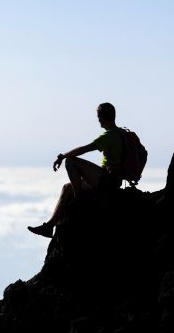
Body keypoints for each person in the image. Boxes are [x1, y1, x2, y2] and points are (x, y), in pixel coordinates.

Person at [28, 102, 124, 238]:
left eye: (99, 117)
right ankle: (49, 227)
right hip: (110, 180)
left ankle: (78, 198)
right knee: (67, 188)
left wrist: (63, 156)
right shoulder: (120, 133)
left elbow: (83, 150)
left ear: (104, 117)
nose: (98, 121)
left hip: (108, 180)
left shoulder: (109, 136)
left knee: (70, 161)